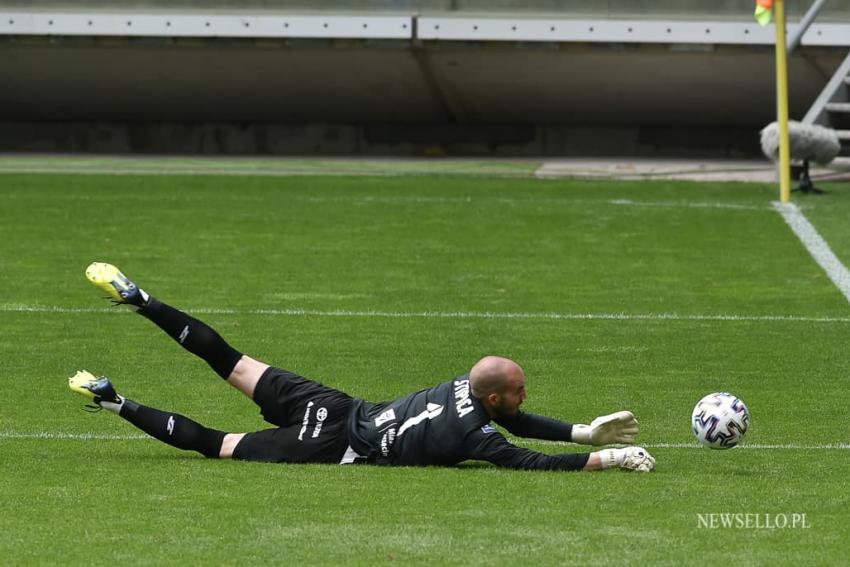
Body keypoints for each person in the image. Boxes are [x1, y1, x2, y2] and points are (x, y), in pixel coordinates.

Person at [69, 262, 656, 473]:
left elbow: (517, 425)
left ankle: (143, 301)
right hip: (329, 443)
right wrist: (604, 458)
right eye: (522, 390)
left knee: (229, 359)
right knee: (218, 445)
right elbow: (526, 457)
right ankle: (115, 402)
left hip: (334, 406)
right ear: (496, 398)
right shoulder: (474, 433)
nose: (526, 396)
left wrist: (582, 430)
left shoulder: (464, 391)